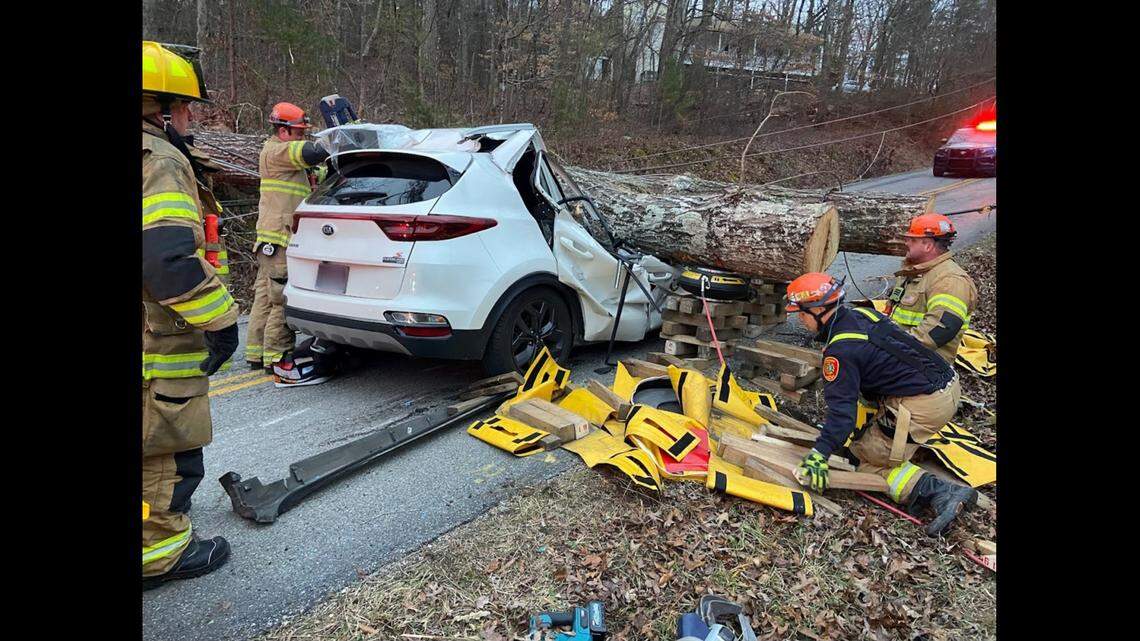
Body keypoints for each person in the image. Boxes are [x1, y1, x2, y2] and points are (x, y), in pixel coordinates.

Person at [142, 41, 240, 587]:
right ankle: (160, 553)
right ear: (159, 107)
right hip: (157, 336)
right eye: (184, 106)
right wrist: (222, 321)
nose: (189, 118)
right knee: (166, 444)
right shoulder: (159, 162)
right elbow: (169, 262)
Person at [785, 272, 977, 536]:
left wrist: (820, 453)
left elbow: (843, 416)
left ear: (818, 309)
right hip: (946, 384)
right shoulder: (862, 315)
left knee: (862, 459)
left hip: (923, 404)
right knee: (864, 440)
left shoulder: (841, 350)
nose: (800, 319)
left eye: (801, 313)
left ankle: (938, 491)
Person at [245, 103, 330, 370]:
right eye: (299, 133)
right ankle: (277, 356)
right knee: (282, 299)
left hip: (271, 241)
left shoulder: (284, 160)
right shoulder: (276, 151)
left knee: (265, 297)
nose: (302, 137)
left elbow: (316, 171)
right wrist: (338, 139)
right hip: (280, 241)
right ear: (283, 131)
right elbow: (312, 152)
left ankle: (256, 353)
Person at [884, 213, 977, 365]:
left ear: (928, 245)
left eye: (912, 239)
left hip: (923, 367)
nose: (906, 242)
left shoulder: (949, 280)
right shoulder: (915, 272)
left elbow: (940, 329)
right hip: (903, 358)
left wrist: (886, 349)